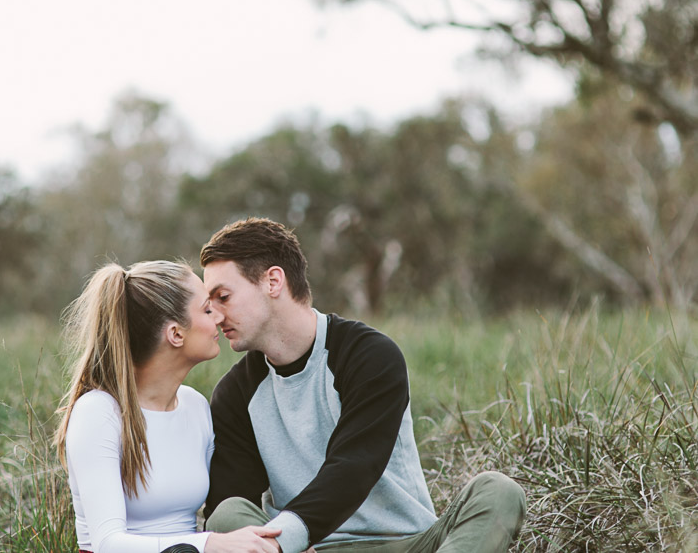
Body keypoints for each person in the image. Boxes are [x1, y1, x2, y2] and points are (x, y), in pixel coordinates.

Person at [199, 218, 526, 553]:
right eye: (210, 305)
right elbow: (229, 507)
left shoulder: (368, 355)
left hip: (407, 545)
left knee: (498, 491)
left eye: (223, 297)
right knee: (226, 516)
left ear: (273, 281)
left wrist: (288, 539)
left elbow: (354, 467)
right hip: (307, 549)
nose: (216, 316)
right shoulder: (235, 394)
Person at [54, 260, 282, 553]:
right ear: (176, 334)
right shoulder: (98, 413)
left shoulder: (194, 405)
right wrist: (209, 544)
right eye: (206, 309)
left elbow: (226, 505)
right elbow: (107, 542)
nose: (218, 317)